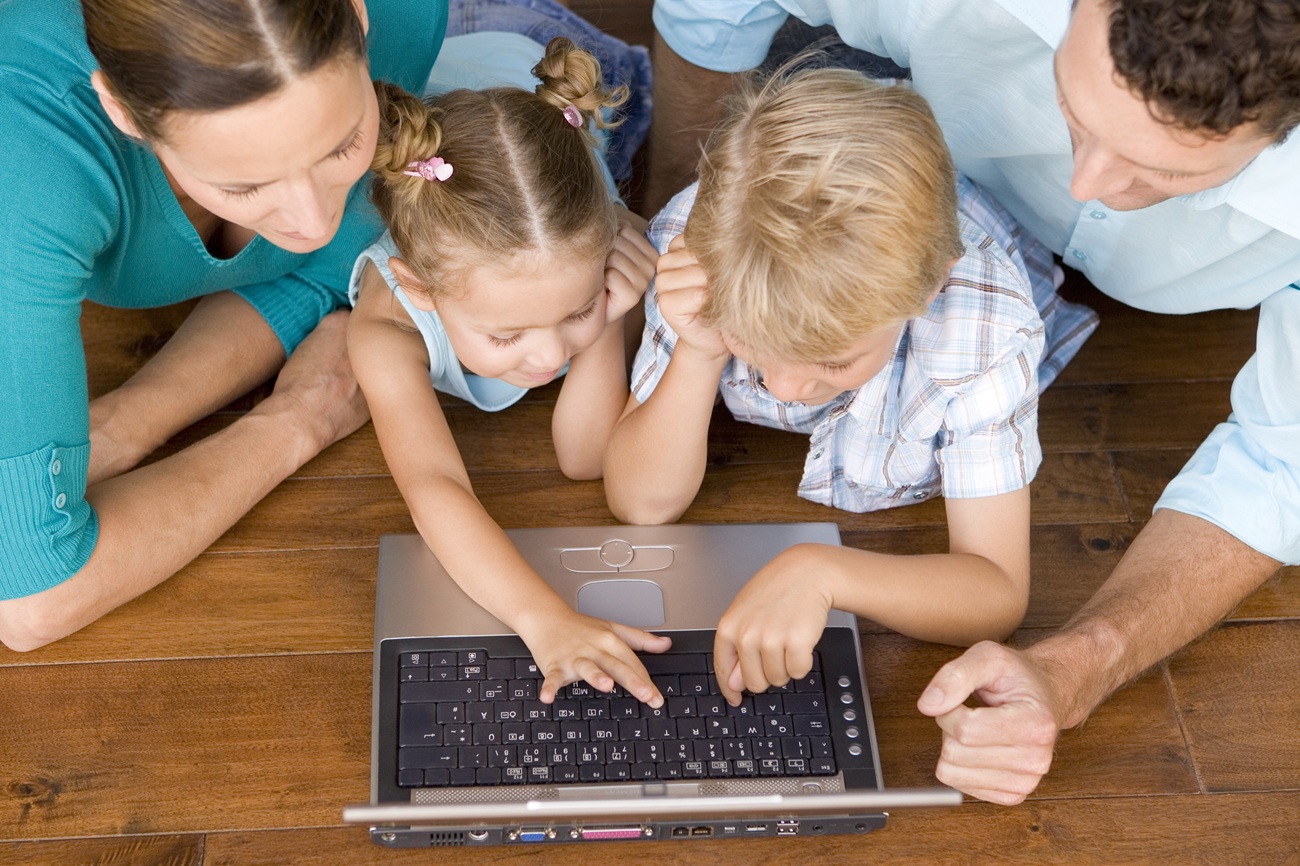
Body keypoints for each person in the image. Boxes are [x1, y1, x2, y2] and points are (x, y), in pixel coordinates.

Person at [647, 0, 1300, 804]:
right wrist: (701, 234)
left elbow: (1281, 467)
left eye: (1166, 172)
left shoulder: (979, 334)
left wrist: (1072, 670)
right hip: (861, 165)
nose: (1082, 182)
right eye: (1072, 107)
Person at [604, 65, 1097, 706]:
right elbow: (642, 505)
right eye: (752, 343)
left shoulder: (982, 329)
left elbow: (996, 592)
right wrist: (699, 352)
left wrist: (824, 570)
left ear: (928, 290)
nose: (783, 386)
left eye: (832, 364)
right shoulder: (698, 250)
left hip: (969, 223)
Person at [0, 0, 449, 652]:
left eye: (343, 143)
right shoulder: (28, 166)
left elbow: (334, 256)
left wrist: (124, 426)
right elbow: (31, 601)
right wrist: (299, 418)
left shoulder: (403, 15)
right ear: (122, 110)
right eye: (244, 186)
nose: (311, 217)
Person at [347, 36, 669, 706]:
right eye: (507, 335)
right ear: (420, 288)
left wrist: (611, 315)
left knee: (621, 105)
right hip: (456, 52)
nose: (550, 357)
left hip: (525, 69)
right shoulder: (387, 324)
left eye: (577, 310)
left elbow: (585, 456)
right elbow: (433, 485)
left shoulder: (600, 243)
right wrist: (541, 617)